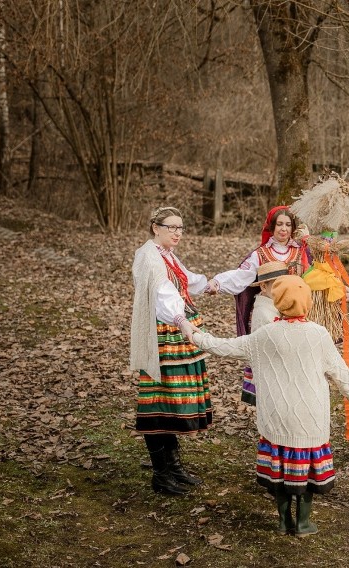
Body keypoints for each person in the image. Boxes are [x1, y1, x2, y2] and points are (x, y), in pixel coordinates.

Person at [183, 275, 349, 537]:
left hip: (276, 417)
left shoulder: (263, 336)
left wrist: (196, 335)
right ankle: (303, 523)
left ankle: (284, 522)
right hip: (310, 418)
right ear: (308, 302)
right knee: (305, 475)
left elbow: (222, 347)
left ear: (278, 302)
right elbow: (341, 373)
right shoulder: (319, 334)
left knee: (280, 474)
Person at [129, 206, 214, 496]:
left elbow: (186, 280)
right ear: (156, 227)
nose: (177, 233)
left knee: (173, 402)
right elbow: (163, 293)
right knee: (159, 402)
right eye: (171, 227)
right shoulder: (147, 256)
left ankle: (174, 466)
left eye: (181, 228)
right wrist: (181, 321)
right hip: (160, 336)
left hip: (175, 333)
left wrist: (214, 284)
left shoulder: (167, 254)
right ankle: (161, 474)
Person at [207, 206, 309, 405]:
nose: (283, 229)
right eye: (279, 224)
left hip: (296, 314)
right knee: (271, 359)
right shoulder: (261, 254)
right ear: (272, 227)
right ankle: (269, 403)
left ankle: (291, 404)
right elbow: (240, 277)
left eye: (288, 225)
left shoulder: (302, 252)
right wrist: (217, 284)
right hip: (267, 312)